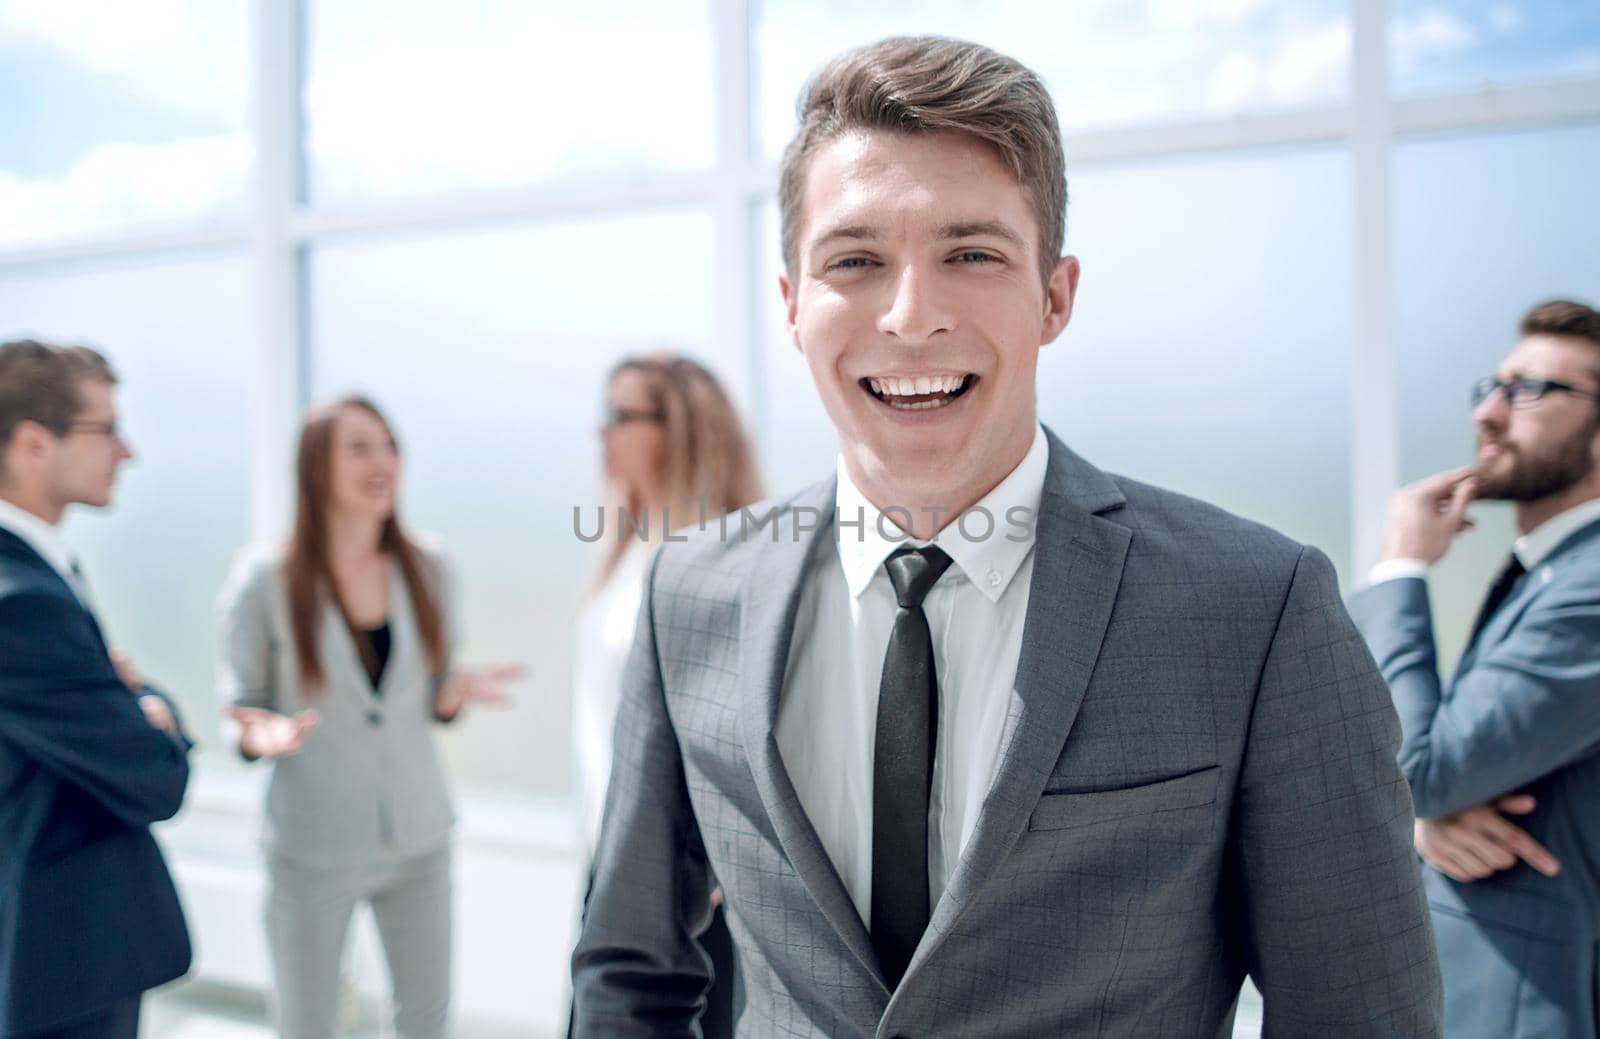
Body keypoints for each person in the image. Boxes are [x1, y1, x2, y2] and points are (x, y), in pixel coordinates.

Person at [571, 36, 1441, 1037]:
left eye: (970, 254)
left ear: (1054, 296)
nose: (909, 315)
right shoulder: (691, 593)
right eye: (854, 260)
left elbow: (1359, 1015)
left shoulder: (1255, 608)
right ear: (792, 306)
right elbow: (629, 973)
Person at [216, 395, 516, 1039]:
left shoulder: (429, 566)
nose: (381, 462)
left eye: (389, 446)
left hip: (419, 836)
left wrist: (450, 696)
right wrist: (259, 732)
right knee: (308, 1021)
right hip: (313, 844)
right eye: (358, 447)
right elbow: (238, 705)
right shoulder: (266, 578)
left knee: (426, 1018)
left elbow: (430, 689)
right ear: (315, 466)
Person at [1349, 298, 1600, 1037]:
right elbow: (1428, 778)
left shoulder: (1590, 585)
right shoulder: (1550, 571)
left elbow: (1422, 767)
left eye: (1531, 390)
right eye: (1492, 385)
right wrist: (1424, 819)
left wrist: (1402, 565)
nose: (1489, 412)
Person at [0, 340, 192, 1039]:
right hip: (59, 948)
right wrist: (155, 711)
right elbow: (154, 777)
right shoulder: (20, 600)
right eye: (105, 429)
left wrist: (136, 706)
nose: (127, 451)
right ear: (31, 444)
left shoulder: (38, 572)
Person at [573, 354, 764, 1038]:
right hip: (613, 854)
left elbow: (740, 722)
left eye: (620, 416)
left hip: (686, 877)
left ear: (680, 428)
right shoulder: (627, 544)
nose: (602, 434)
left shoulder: (721, 556)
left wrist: (714, 854)